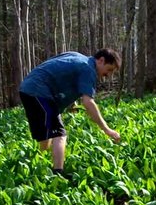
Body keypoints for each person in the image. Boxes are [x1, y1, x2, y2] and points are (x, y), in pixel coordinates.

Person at [19, 49, 122, 177]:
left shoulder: (77, 56)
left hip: (27, 88)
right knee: (60, 134)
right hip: (40, 91)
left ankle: (40, 167)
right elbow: (88, 102)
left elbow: (59, 70)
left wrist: (71, 103)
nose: (108, 74)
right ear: (101, 60)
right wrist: (107, 130)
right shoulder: (89, 69)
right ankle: (58, 175)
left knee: (45, 134)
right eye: (109, 69)